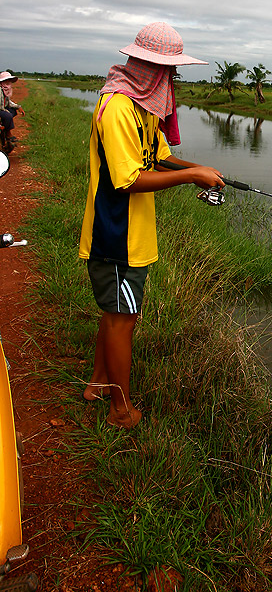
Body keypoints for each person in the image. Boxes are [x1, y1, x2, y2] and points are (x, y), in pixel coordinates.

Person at [78, 22, 224, 429]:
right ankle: (120, 411)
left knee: (119, 314)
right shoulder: (119, 109)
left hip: (133, 234)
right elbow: (127, 180)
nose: (173, 79)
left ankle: (98, 384)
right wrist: (192, 178)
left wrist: (199, 167)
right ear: (150, 68)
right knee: (122, 318)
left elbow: (158, 157)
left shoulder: (142, 109)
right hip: (115, 233)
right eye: (170, 71)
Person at [0, 71, 24, 150]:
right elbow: (1, 107)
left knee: (13, 111)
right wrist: (6, 112)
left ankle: (6, 128)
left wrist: (18, 107)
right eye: (7, 81)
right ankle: (8, 133)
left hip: (2, 109)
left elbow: (8, 102)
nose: (9, 84)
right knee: (8, 115)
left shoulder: (5, 91)